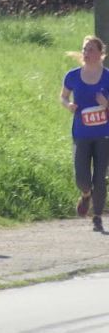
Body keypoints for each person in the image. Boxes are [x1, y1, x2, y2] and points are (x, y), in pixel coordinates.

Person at [59, 35, 109, 233]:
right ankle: (85, 194)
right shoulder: (72, 75)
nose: (86, 53)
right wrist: (68, 105)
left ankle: (97, 217)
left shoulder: (107, 76)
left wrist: (106, 104)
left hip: (103, 133)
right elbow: (63, 96)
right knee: (82, 177)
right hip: (81, 132)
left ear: (100, 53)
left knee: (99, 176)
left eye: (90, 50)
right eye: (84, 49)